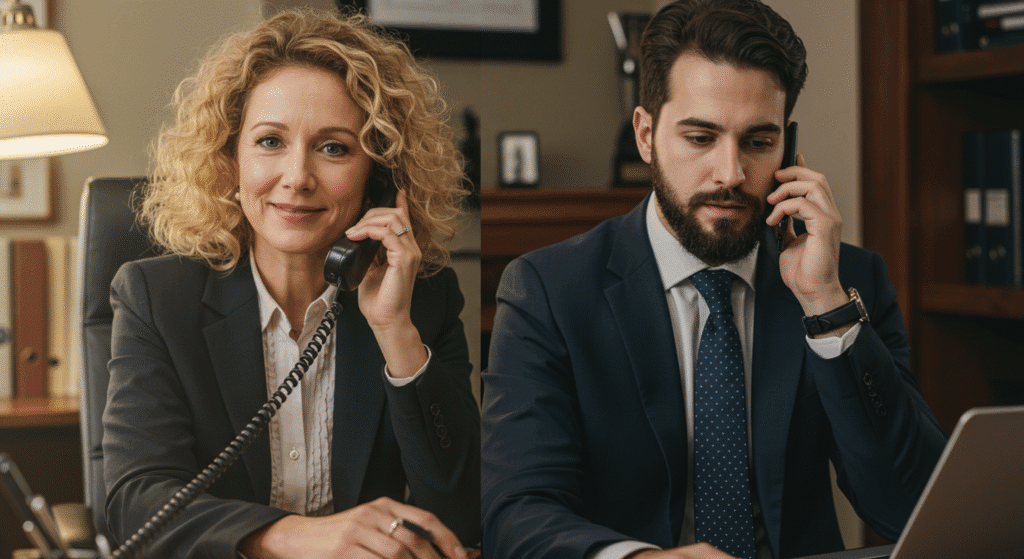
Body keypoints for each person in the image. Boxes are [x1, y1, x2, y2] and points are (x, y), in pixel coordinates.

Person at [481, 1, 947, 558]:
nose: (731, 174)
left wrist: (825, 306)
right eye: (701, 138)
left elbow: (908, 508)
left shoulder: (847, 283)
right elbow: (516, 513)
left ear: (788, 147)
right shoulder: (547, 290)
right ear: (646, 135)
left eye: (758, 142)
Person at [102, 9, 479, 559]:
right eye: (270, 141)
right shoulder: (157, 299)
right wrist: (300, 536)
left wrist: (395, 332)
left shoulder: (423, 299)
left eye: (334, 148)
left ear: (379, 175)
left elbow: (461, 515)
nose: (298, 177)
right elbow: (136, 506)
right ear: (230, 160)